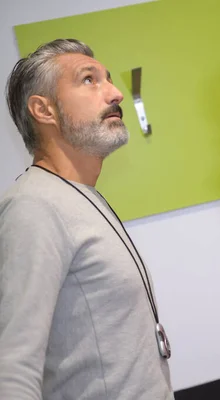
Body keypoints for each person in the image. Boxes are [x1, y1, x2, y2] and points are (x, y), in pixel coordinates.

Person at [0, 39, 174, 399]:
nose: (115, 94)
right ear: (43, 110)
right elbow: (12, 370)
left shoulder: (77, 196)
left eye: (108, 79)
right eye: (89, 80)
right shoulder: (34, 207)